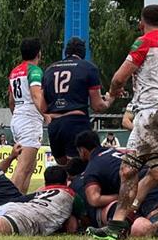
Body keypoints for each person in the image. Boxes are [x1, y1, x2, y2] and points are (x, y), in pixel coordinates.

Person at [87, 4, 158, 240]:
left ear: (141, 22)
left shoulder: (143, 42)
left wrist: (113, 93)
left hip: (150, 112)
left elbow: (119, 77)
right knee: (130, 169)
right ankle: (118, 224)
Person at [42, 36, 111, 167]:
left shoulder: (50, 69)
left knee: (63, 166)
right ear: (83, 53)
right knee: (79, 167)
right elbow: (97, 106)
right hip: (75, 121)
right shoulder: (88, 68)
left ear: (65, 52)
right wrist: (110, 100)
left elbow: (42, 106)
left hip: (54, 124)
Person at [7, 38, 48, 193]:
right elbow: (36, 95)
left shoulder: (14, 72)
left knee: (29, 167)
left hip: (18, 114)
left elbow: (11, 101)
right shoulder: (35, 71)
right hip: (29, 117)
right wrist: (47, 114)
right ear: (39, 54)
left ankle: (20, 203)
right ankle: (7, 204)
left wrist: (18, 115)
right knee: (23, 168)